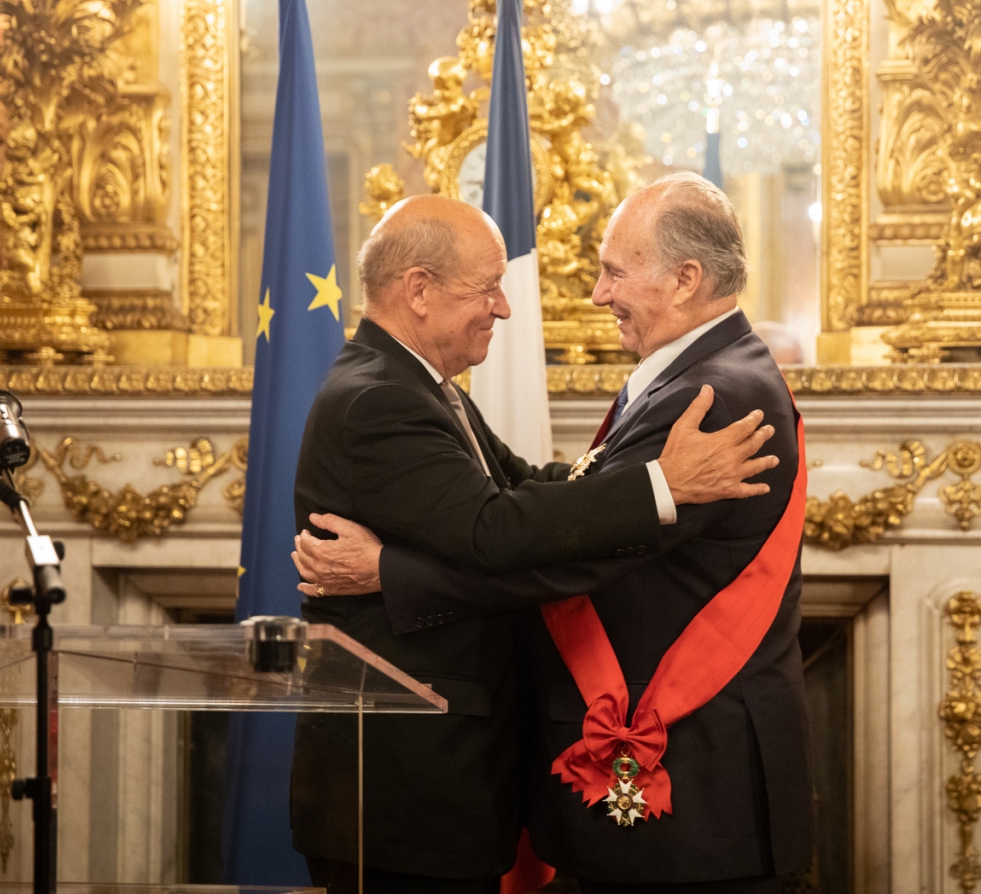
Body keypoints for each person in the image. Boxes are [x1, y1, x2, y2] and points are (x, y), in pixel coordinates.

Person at [297, 176, 814, 893]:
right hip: (406, 783)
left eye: (613, 272)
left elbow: (553, 542)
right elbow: (508, 523)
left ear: (686, 279)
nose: (596, 294)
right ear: (419, 290)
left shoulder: (711, 395)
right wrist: (656, 486)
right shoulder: (389, 394)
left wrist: (390, 571)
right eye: (487, 288)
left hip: (698, 786)